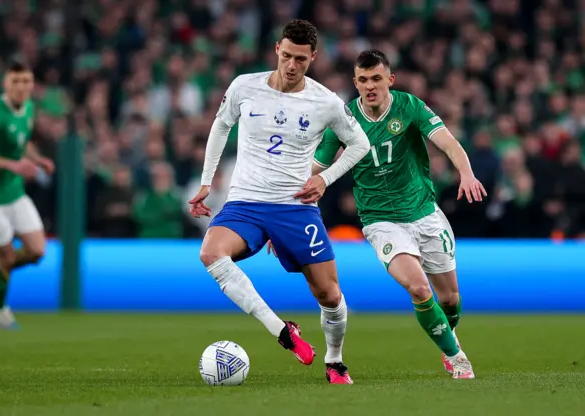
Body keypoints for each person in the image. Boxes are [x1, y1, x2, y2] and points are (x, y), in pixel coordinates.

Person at [188, 20, 370, 384]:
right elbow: (221, 125)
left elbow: (360, 144)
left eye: (300, 59)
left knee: (329, 294)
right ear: (276, 49)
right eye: (286, 55)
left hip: (294, 207)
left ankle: (334, 360)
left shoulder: (326, 101)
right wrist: (208, 181)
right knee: (210, 253)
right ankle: (282, 331)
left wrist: (324, 178)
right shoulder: (245, 86)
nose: (291, 65)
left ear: (313, 57)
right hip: (246, 203)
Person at [312, 50, 487, 379]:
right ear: (355, 83)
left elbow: (448, 142)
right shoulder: (345, 119)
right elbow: (318, 166)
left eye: (376, 78)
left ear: (390, 80)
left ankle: (448, 337)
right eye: (363, 80)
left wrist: (466, 172)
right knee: (420, 289)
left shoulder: (410, 107)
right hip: (381, 221)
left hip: (424, 212)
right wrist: (280, 202)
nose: (370, 86)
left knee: (450, 299)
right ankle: (457, 357)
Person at [0, 61, 55, 329]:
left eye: (26, 81)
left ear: (32, 85)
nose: (21, 87)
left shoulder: (28, 107)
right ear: (6, 84)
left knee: (38, 251)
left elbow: (21, 140)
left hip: (13, 192)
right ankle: (0, 308)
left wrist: (38, 159)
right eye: (15, 81)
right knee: (5, 256)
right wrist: (13, 165)